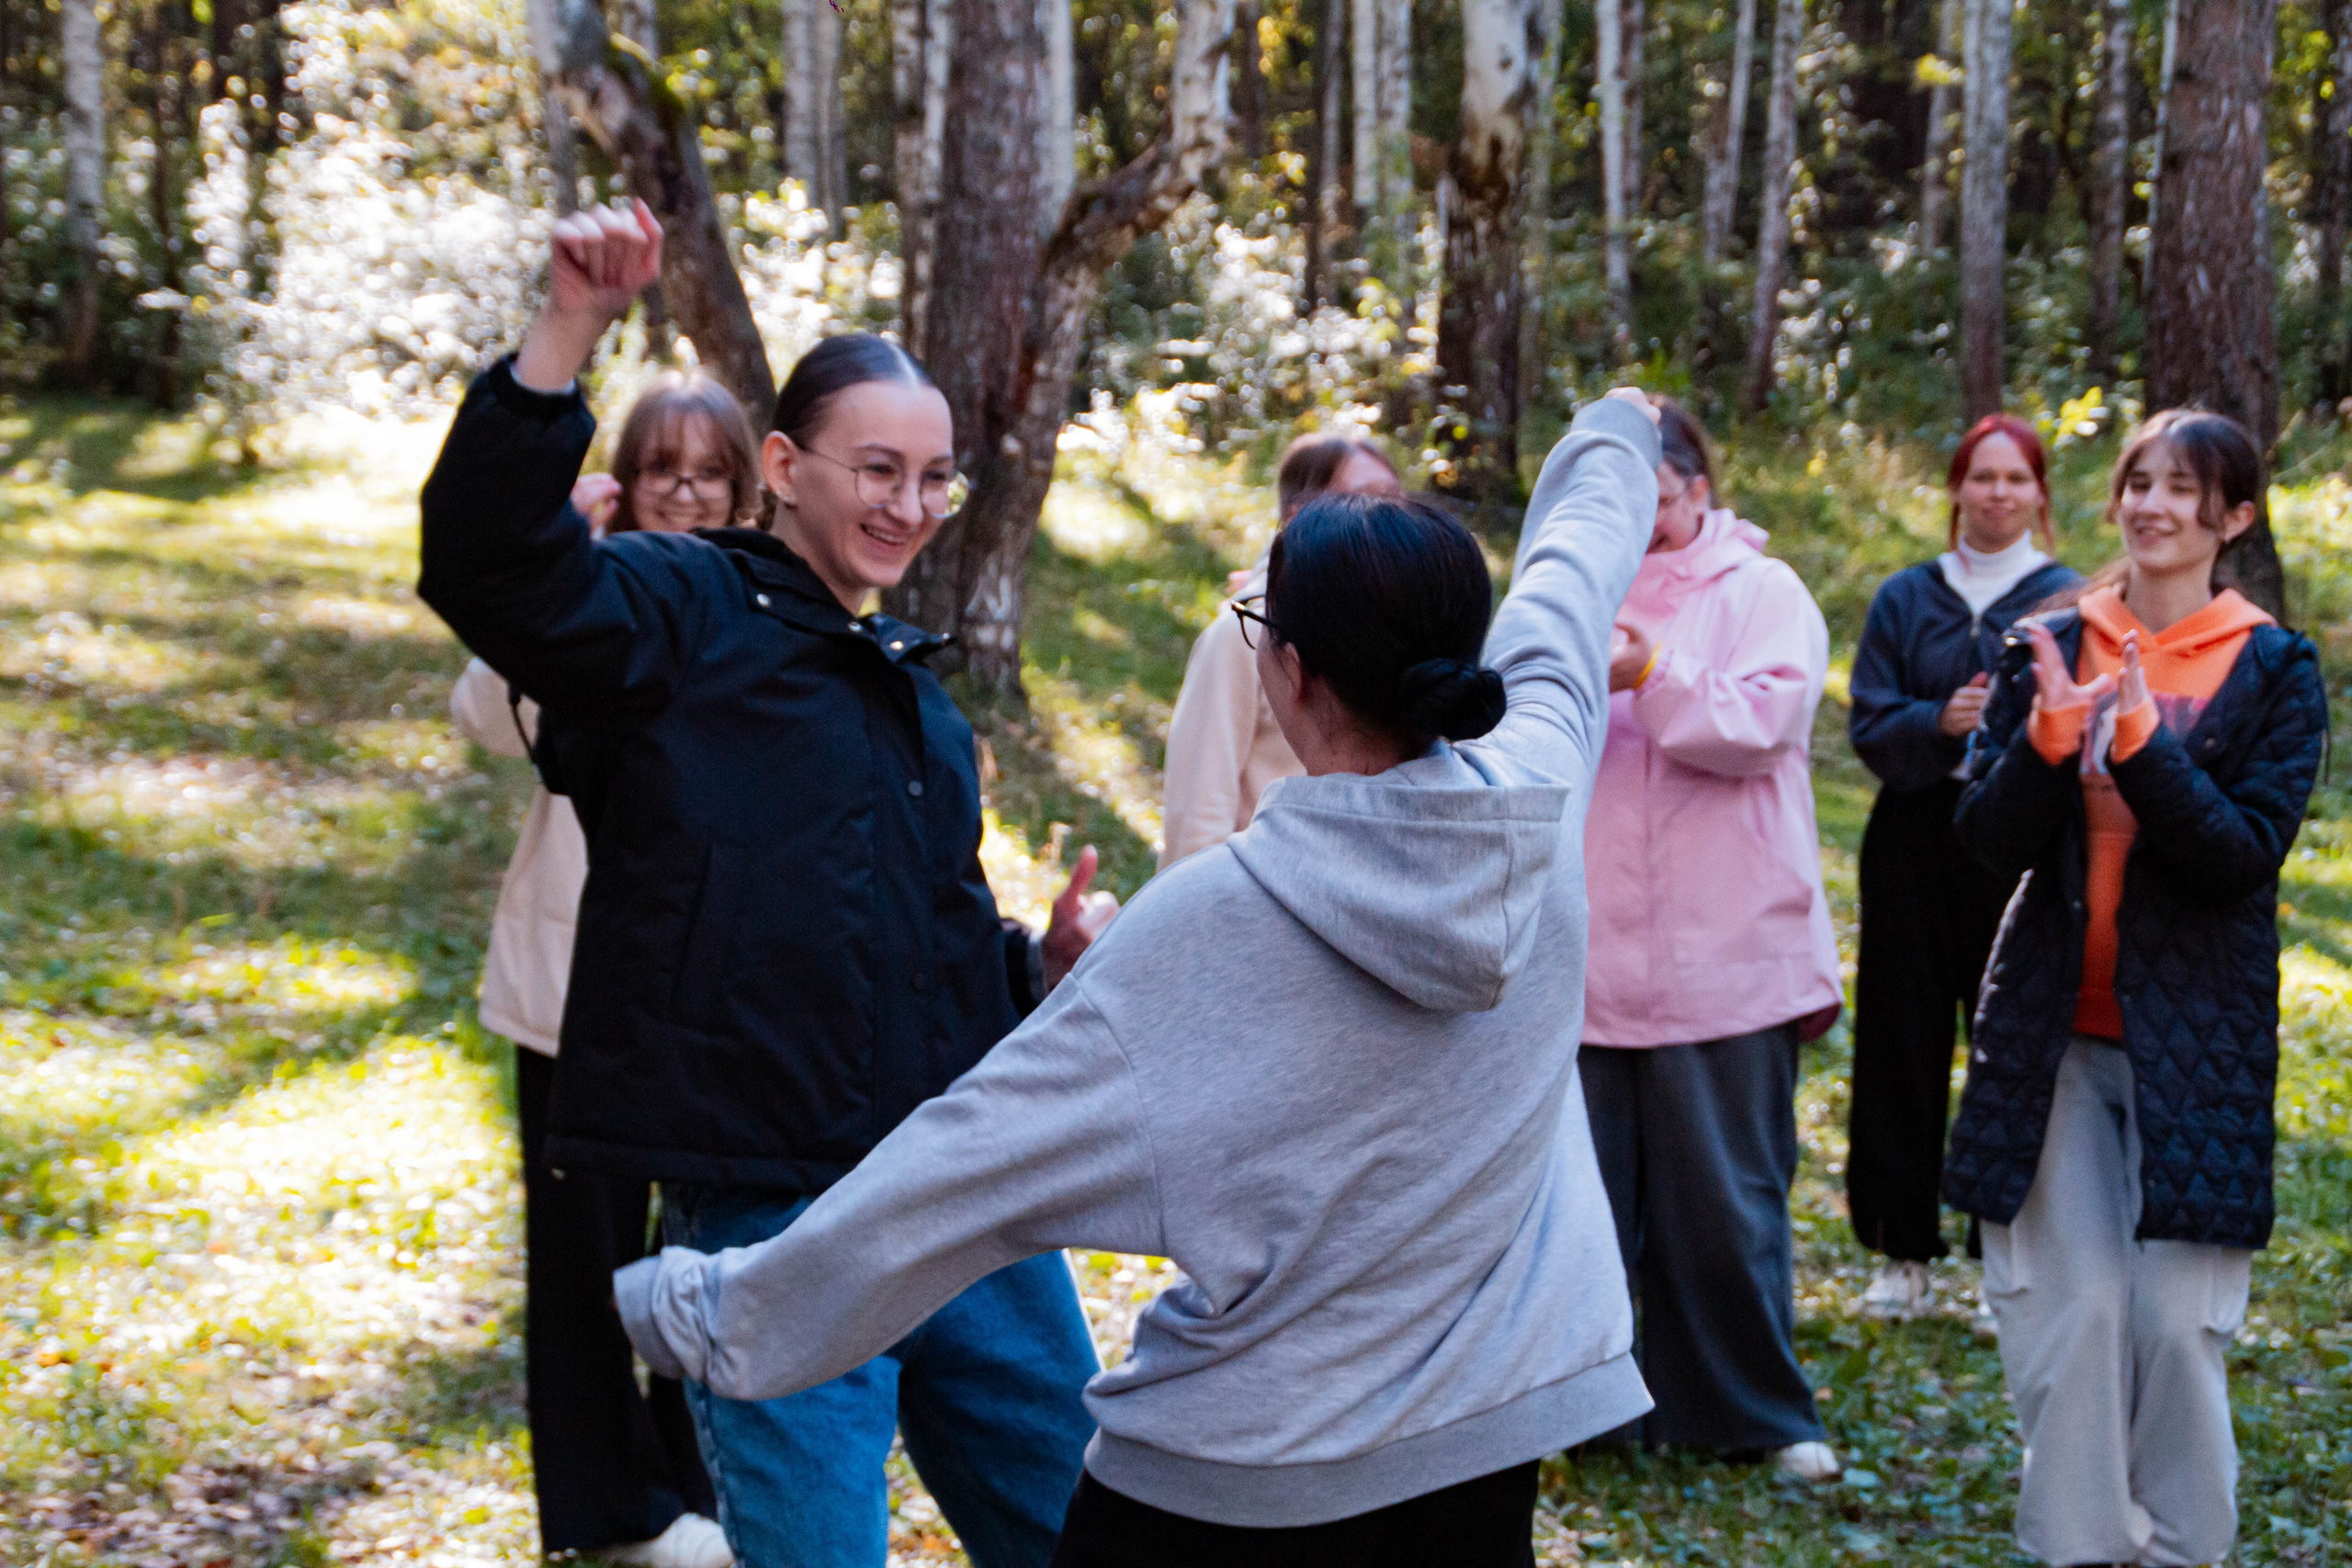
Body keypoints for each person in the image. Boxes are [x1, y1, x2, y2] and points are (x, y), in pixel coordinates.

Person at [613, 390, 1667, 1565]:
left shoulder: (1214, 920)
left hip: (1231, 1483)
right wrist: (1615, 430)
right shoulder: (1538, 797)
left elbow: (965, 1164)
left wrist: (709, 1312)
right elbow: (1568, 589)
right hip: (1482, 1445)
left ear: (1291, 671)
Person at [418, 200, 1116, 1568]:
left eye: (935, 479)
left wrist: (1033, 969)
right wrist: (568, 327)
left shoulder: (922, 714)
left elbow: (915, 952)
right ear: (784, 465)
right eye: (878, 468)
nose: (909, 505)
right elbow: (490, 565)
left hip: (962, 1202)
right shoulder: (679, 615)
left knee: (1094, 1534)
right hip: (773, 1225)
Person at [1944, 410, 2325, 1567]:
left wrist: (2148, 751)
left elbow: (2238, 858)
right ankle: (2080, 1551)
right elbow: (1981, 840)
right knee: (2081, 1311)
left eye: (2184, 489)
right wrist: (2048, 744)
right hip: (2049, 1036)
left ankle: (2181, 1554)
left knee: (2171, 1322)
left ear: (2235, 518)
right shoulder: (2051, 642)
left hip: (2195, 1050)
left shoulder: (2273, 667)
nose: (2153, 507)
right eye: (2139, 483)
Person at [447, 371, 762, 1568]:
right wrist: (550, 557)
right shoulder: (584, 601)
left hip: (708, 992)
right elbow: (484, 714)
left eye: (708, 472)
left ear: (744, 487)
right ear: (625, 486)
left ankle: (698, 1478)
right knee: (582, 1250)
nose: (685, 493)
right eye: (662, 471)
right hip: (567, 988)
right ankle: (609, 1510)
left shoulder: (759, 604)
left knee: (704, 1247)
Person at [1574, 398, 1845, 1482]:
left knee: (1724, 1199)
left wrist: (1652, 675)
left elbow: (1763, 725)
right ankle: (1589, 1412)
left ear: (1696, 487)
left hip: (1726, 951)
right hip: (1589, 949)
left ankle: (1753, 1413)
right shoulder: (1566, 590)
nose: (1642, 514)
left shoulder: (1762, 591)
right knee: (1587, 1200)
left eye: (1657, 490)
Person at [1844, 414, 2080, 1316]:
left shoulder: (2064, 600)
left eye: (2015, 479)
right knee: (1900, 1038)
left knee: (2011, 1044)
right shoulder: (1908, 596)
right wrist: (1933, 722)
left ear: (2038, 495)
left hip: (2018, 846)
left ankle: (2003, 1253)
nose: (1996, 493)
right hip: (1912, 835)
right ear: (1954, 489)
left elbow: (2077, 721)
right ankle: (1900, 1253)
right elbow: (1869, 718)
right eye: (1980, 477)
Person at [1159, 433, 1402, 867]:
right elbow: (1196, 814)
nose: (1389, 519)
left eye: (1395, 500)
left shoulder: (1395, 628)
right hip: (1257, 902)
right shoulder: (1244, 634)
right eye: (1365, 500)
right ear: (1300, 516)